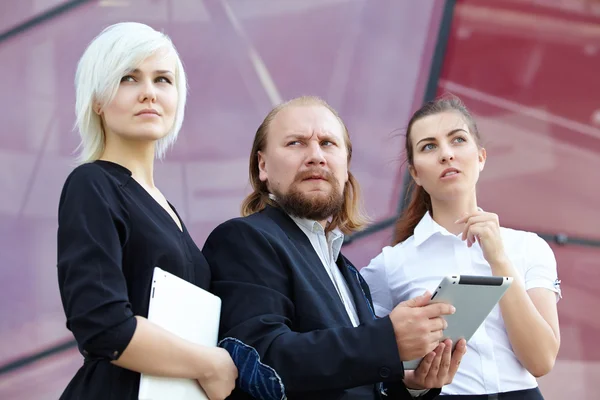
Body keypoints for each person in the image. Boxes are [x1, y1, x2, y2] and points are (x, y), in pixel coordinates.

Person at [202, 96, 467, 400]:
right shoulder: (243, 239)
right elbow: (262, 361)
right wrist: (387, 340)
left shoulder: (346, 270)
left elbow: (355, 379)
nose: (316, 156)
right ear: (262, 165)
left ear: (345, 166)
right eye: (296, 143)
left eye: (328, 143)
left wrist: (411, 384)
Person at [56, 22, 237, 400]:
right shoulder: (92, 184)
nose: (149, 94)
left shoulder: (164, 206)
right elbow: (102, 325)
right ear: (97, 100)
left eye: (162, 80)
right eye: (129, 78)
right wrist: (210, 363)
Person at [360, 96, 561, 399]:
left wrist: (499, 260)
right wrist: (414, 383)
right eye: (429, 146)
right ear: (415, 173)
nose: (446, 155)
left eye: (457, 140)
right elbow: (371, 365)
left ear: (480, 157)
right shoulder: (389, 265)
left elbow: (541, 360)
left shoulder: (528, 247)